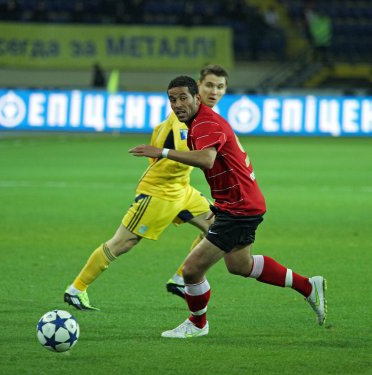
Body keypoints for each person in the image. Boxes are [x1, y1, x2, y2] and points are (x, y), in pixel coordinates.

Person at [129, 75, 327, 338]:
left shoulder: (205, 123)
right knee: (240, 266)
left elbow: (206, 159)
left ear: (196, 98)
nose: (177, 104)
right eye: (172, 99)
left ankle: (197, 325)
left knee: (191, 270)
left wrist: (161, 152)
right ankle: (308, 286)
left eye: (183, 98)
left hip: (240, 208)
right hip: (237, 203)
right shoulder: (200, 121)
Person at [63, 65, 229, 310]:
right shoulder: (184, 120)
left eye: (220, 87)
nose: (214, 92)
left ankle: (182, 278)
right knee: (123, 242)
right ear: (197, 88)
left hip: (182, 189)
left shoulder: (199, 116)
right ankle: (77, 288)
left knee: (220, 227)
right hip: (159, 192)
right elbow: (193, 155)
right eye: (209, 86)